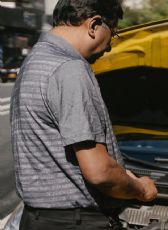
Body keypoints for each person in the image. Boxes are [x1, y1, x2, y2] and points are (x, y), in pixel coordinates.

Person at [10, 0, 157, 229]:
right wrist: (141, 189)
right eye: (114, 33)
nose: (109, 47)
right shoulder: (70, 69)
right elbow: (99, 173)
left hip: (37, 219)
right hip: (76, 221)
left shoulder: (33, 62)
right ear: (94, 25)